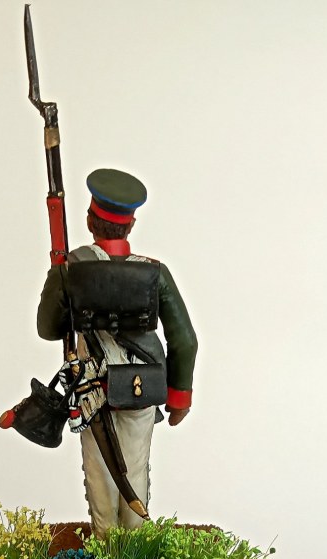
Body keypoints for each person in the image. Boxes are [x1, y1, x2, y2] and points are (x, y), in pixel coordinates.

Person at [37, 169, 197, 538]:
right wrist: (178, 399)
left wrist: (60, 281)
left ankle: (105, 548)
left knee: (99, 472)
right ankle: (134, 549)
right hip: (142, 386)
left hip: (92, 387)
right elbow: (185, 340)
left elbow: (47, 328)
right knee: (135, 469)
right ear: (131, 225)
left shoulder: (70, 268)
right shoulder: (155, 272)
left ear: (89, 221)